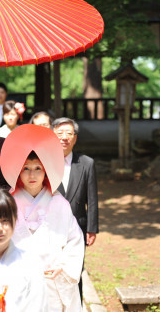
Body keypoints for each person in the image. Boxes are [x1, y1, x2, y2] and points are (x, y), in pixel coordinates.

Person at [0, 124, 85, 311]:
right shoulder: (8, 204)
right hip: (18, 279)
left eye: (38, 168)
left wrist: (63, 265)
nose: (32, 175)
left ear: (46, 170)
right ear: (18, 172)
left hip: (52, 279)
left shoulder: (60, 204)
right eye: (26, 169)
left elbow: (75, 240)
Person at [52, 117, 99, 302]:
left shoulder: (86, 163)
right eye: (59, 133)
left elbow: (92, 199)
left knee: (74, 272)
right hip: (51, 227)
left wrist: (92, 228)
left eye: (69, 133)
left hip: (77, 227)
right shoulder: (44, 162)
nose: (64, 137)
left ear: (75, 138)